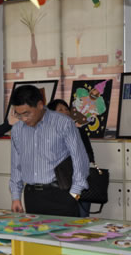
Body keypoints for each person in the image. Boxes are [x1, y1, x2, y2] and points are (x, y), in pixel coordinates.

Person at [9, 84, 88, 216]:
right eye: (18, 114)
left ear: (40, 105)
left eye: (27, 113)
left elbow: (80, 159)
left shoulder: (63, 123)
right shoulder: (17, 129)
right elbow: (16, 165)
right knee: (34, 230)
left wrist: (75, 194)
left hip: (61, 194)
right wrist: (16, 197)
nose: (24, 119)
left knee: (65, 230)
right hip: (32, 196)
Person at [49, 98, 95, 216]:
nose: (65, 112)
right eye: (60, 110)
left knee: (81, 219)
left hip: (77, 182)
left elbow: (89, 156)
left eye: (66, 109)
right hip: (57, 186)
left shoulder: (78, 131)